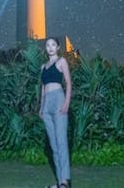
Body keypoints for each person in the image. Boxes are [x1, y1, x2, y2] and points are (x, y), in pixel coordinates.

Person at [39, 36, 72, 188]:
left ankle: (65, 181)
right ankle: (59, 182)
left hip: (59, 99)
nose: (50, 47)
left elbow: (69, 83)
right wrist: (41, 108)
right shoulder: (43, 67)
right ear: (45, 48)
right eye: (48, 45)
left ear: (58, 47)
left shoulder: (61, 61)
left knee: (61, 141)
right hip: (46, 104)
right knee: (53, 144)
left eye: (53, 45)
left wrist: (66, 103)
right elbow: (42, 88)